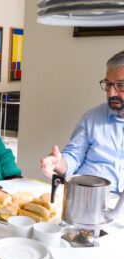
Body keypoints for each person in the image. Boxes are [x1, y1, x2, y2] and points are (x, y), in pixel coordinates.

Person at [41, 50, 124, 192]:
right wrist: (58, 163)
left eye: (120, 85)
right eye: (108, 84)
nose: (111, 93)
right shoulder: (91, 118)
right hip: (86, 199)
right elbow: (73, 157)